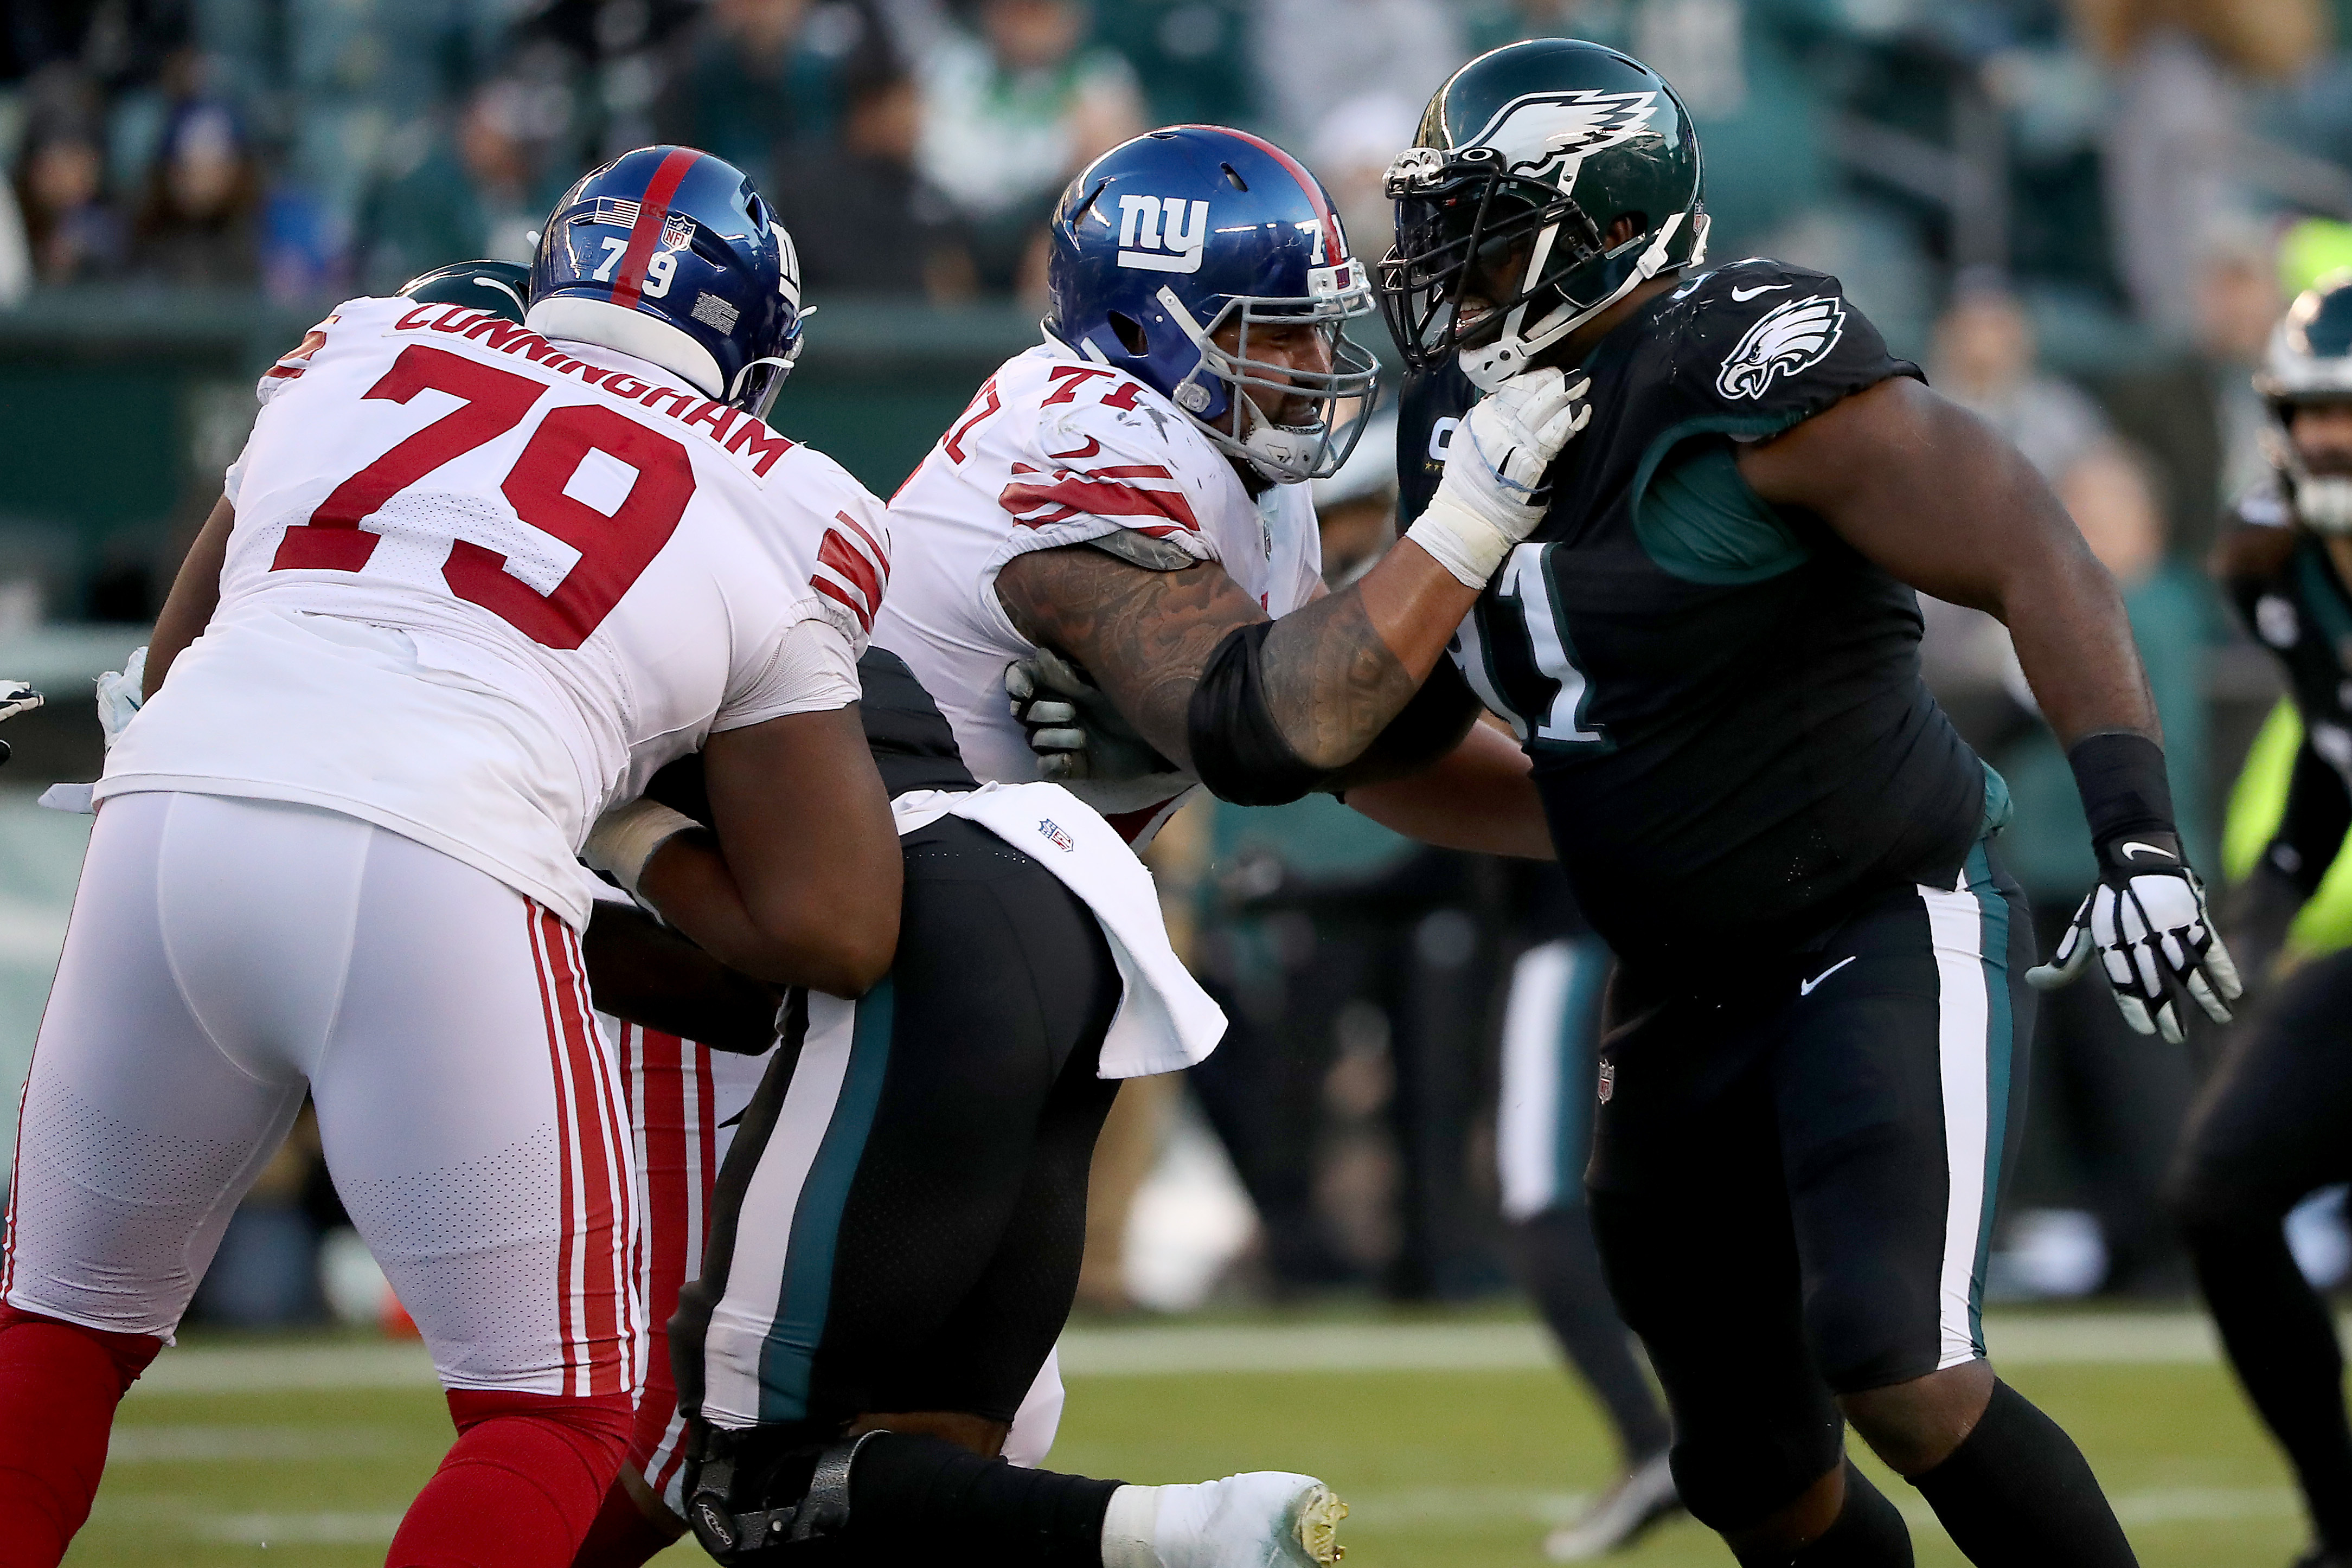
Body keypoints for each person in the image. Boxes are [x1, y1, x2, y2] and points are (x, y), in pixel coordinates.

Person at [1364, 38, 2239, 1567]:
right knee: (1751, 1469)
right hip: (1679, 980)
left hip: (1872, 912)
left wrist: (2138, 835)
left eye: (1485, 228)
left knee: (1898, 1361)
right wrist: (1606, 821)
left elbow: (2033, 546)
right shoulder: (1454, 411)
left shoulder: (1749, 357)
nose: (1448, 268)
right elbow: (1397, 734)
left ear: (1600, 225)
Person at [645, 120, 1555, 1568]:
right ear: (1148, 323)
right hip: (837, 969)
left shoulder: (1238, 482)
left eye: (1320, 338)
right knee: (740, 1460)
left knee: (902, 1461)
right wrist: (1460, 530)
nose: (1317, 374)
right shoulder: (1082, 428)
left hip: (1000, 972)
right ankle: (1166, 1538)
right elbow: (1268, 724)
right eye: (1272, 337)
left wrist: (1606, 817)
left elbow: (1346, 744)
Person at [0, 147, 906, 1568]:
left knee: (54, 1329)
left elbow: (170, 673)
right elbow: (838, 922)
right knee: (560, 1416)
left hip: (170, 822)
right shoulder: (789, 496)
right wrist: (626, 825)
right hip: (441, 859)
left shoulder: (361, 342)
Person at [2176, 270, 2352, 1568]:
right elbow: (2336, 746)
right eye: (2314, 414)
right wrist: (2271, 896)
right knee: (2224, 1192)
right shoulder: (2272, 558)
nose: (2333, 441)